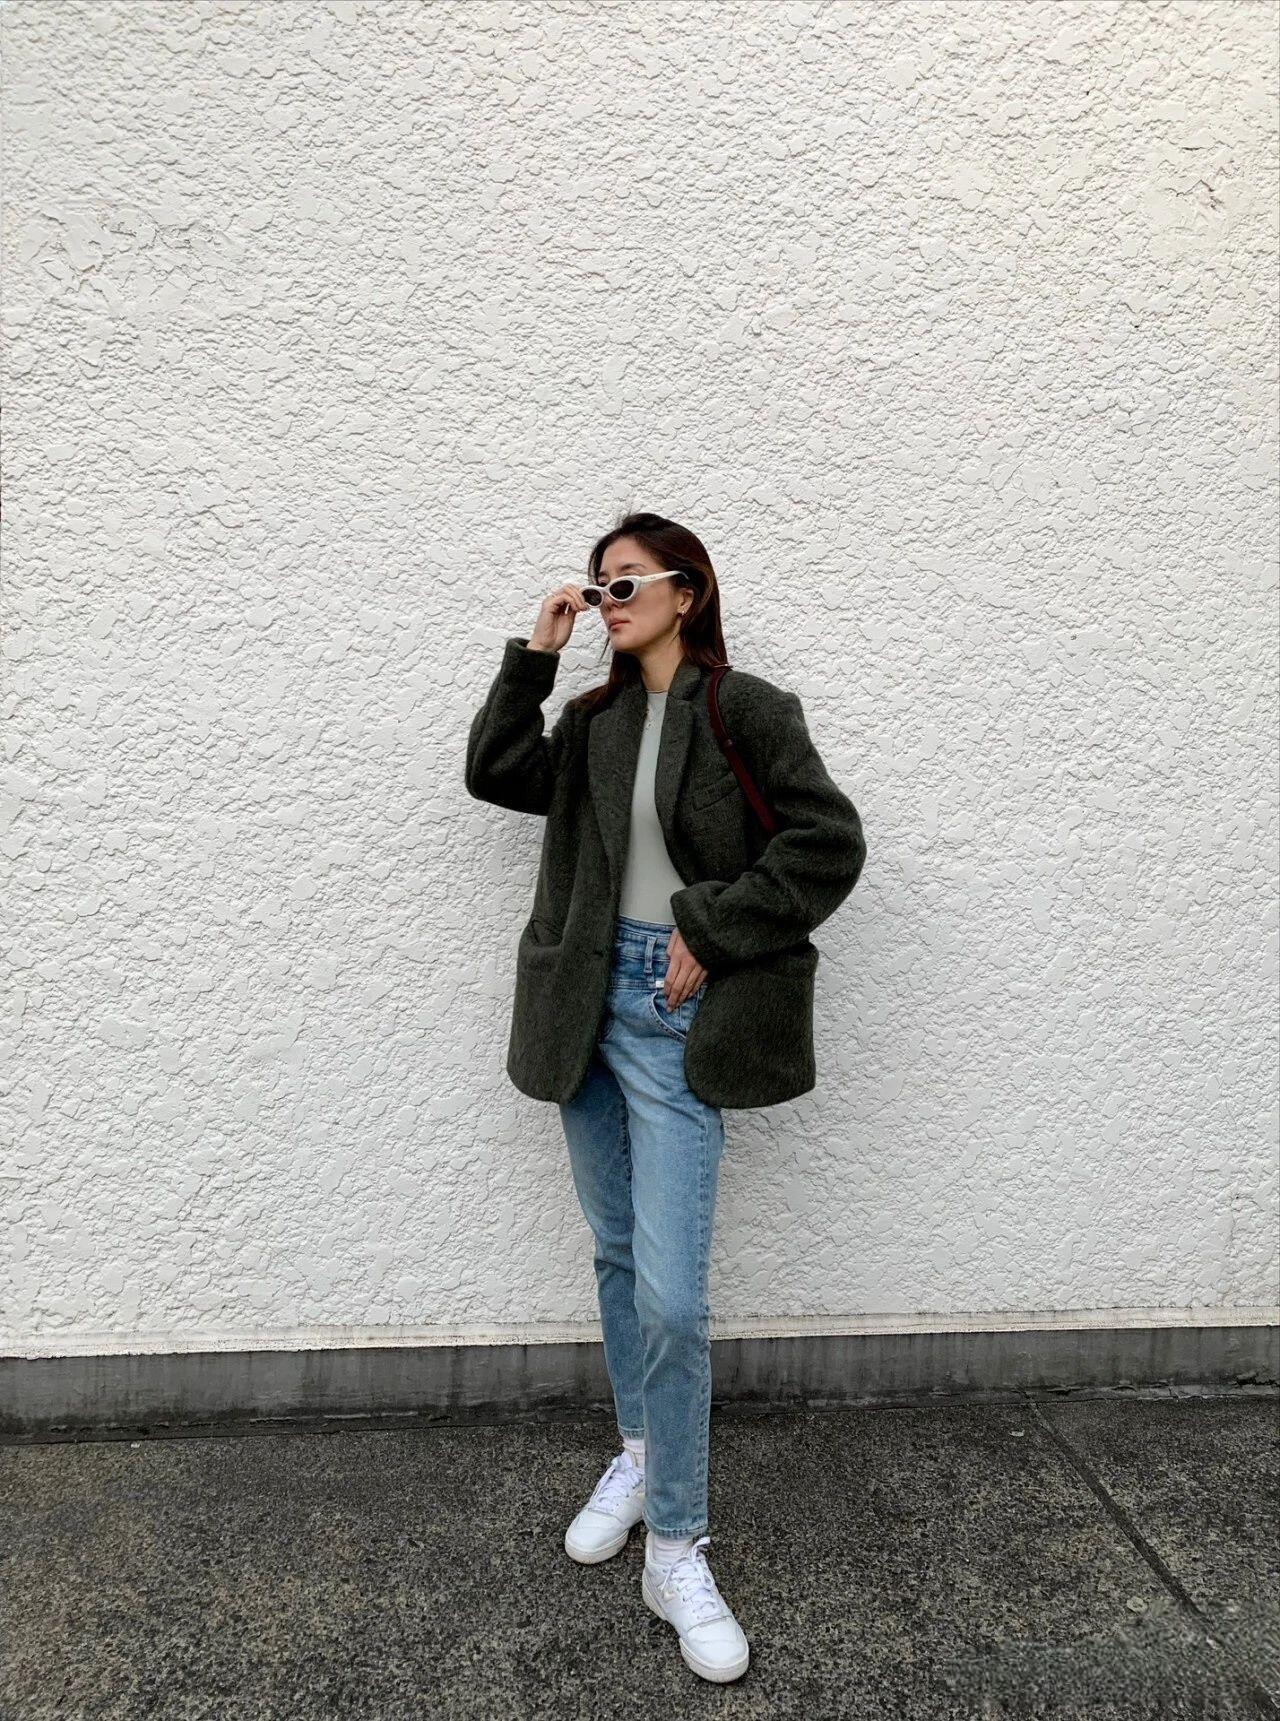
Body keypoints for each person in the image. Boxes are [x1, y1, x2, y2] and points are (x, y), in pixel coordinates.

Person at [464, 513, 866, 1684]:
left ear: (686, 592)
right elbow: (494, 771)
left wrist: (712, 924)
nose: (607, 597)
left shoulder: (747, 710)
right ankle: (640, 1451)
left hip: (675, 1008)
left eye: (626, 580)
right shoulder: (593, 721)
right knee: (615, 1248)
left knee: (673, 1298)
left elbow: (827, 842)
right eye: (598, 584)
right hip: (582, 1005)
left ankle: (677, 1545)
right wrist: (535, 656)